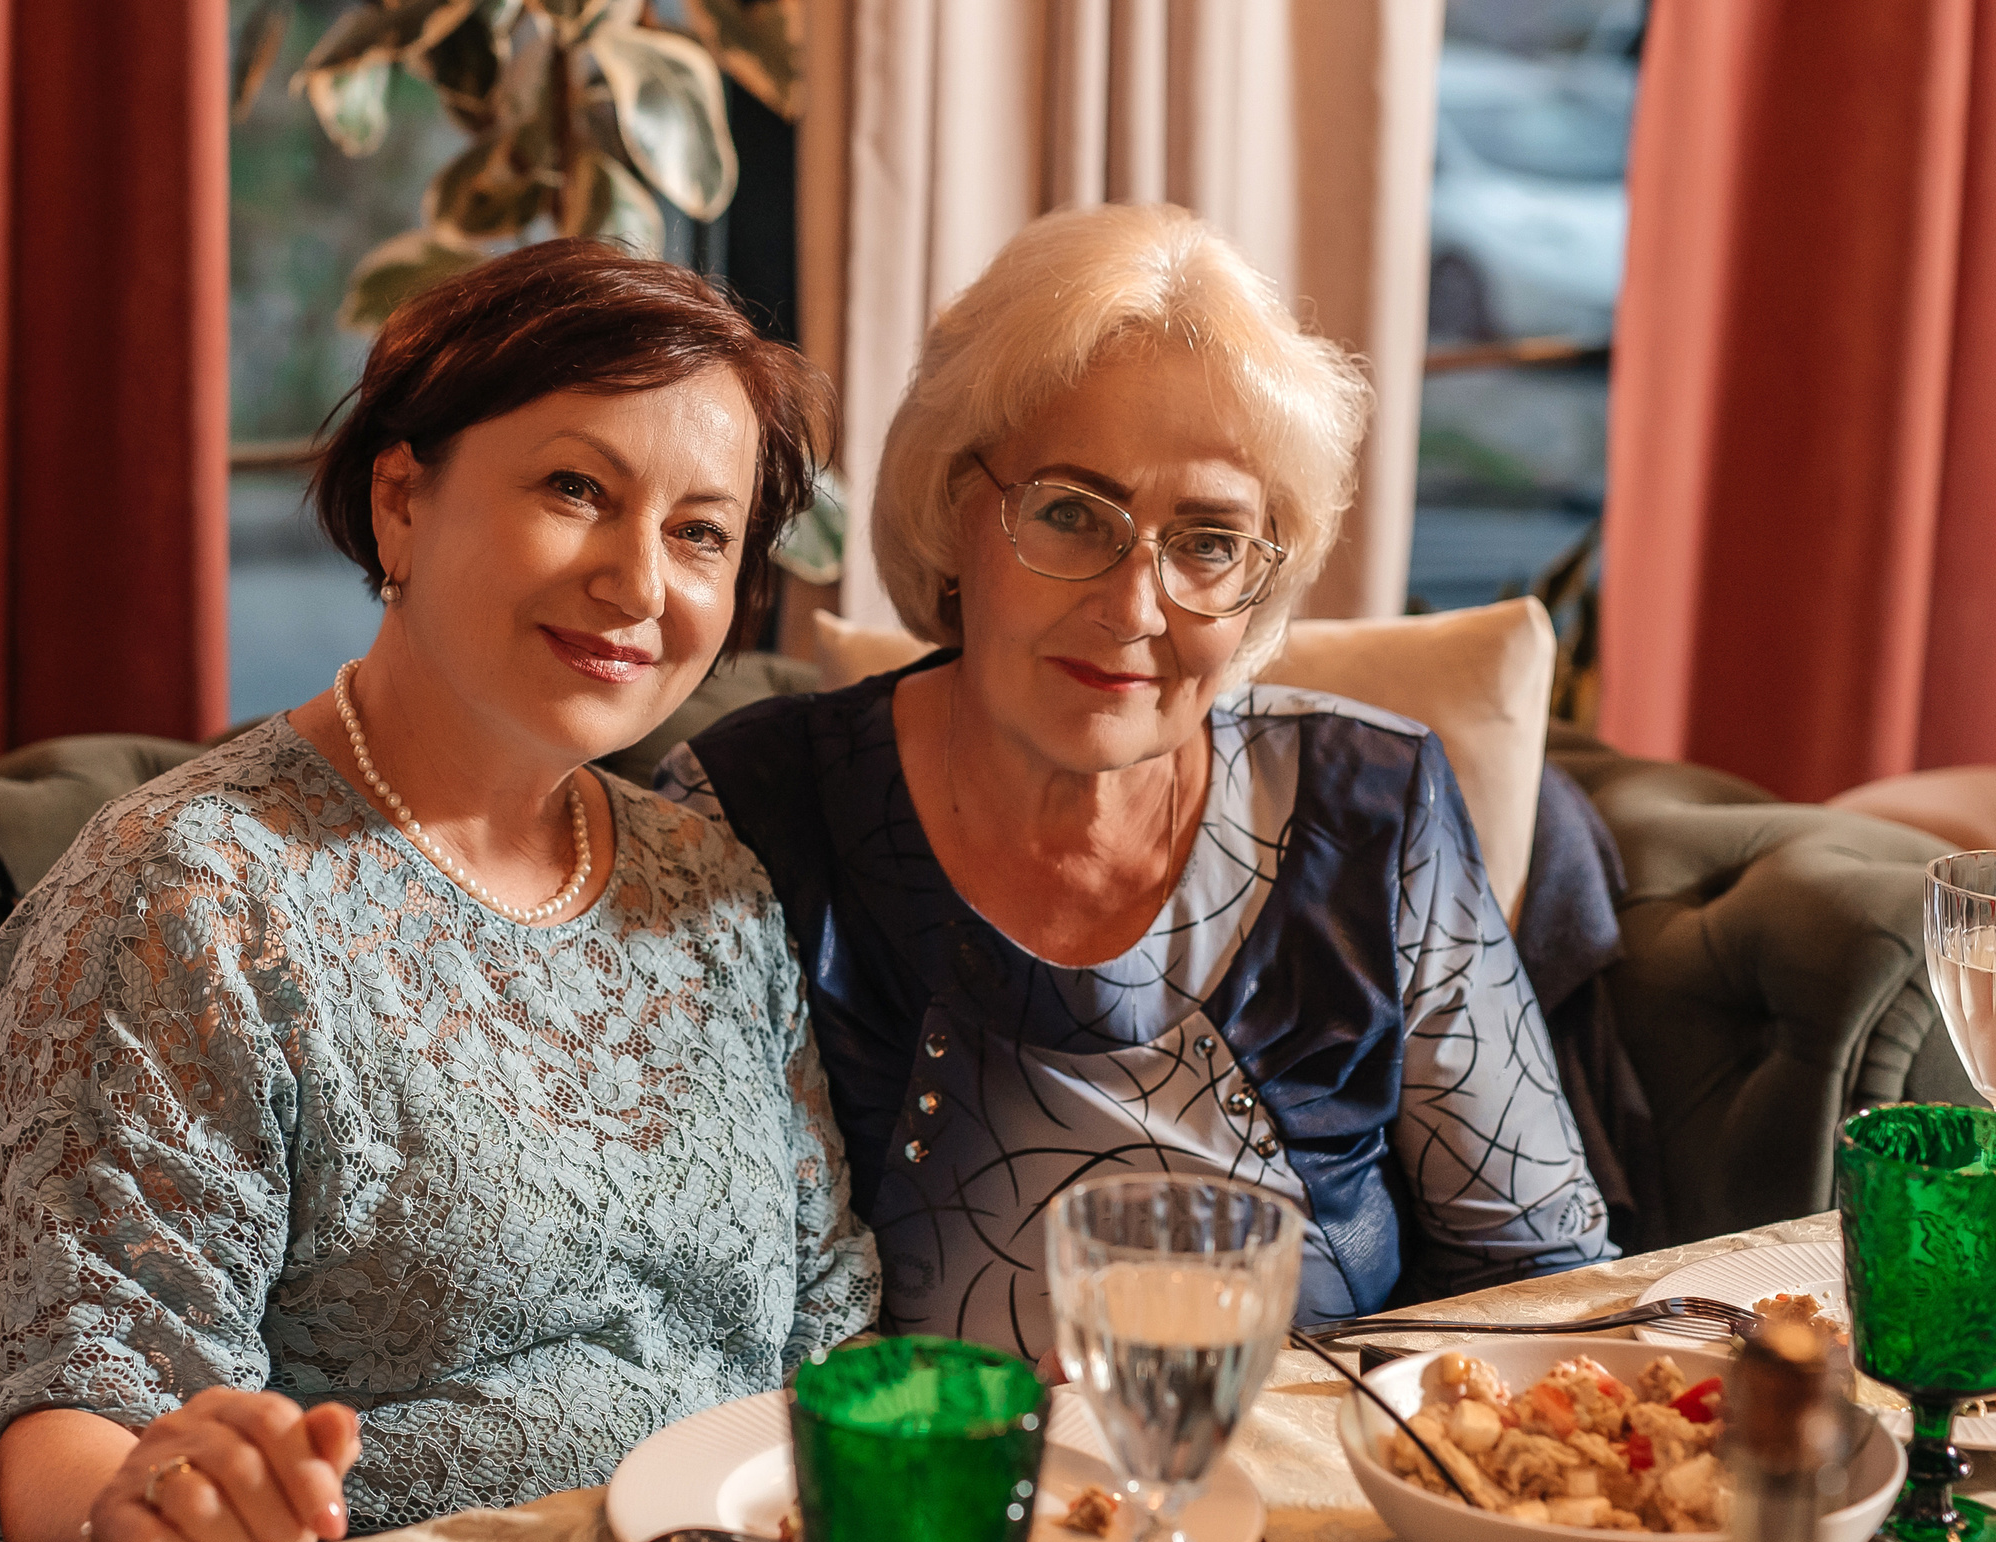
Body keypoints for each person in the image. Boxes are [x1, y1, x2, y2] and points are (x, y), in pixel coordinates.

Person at [0, 241, 878, 1542]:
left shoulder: (706, 880)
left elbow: (832, 1327)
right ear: (403, 501)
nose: (639, 583)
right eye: (578, 488)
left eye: (699, 531)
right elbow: (78, 1431)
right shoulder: (193, 899)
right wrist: (159, 1492)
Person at [663, 205, 1614, 1357]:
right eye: (1070, 513)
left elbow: (1538, 1269)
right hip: (915, 1498)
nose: (1131, 607)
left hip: (1311, 1486)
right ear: (953, 509)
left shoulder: (1377, 804)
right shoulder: (753, 809)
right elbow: (688, 1308)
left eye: (1207, 541)